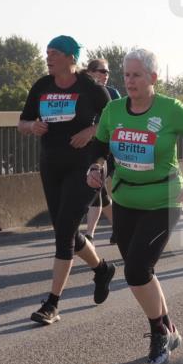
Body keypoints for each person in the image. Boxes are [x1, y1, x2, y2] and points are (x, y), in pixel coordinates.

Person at [88, 48, 183, 364]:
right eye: (126, 75)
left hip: (164, 200)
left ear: (153, 78)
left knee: (136, 270)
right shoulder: (113, 110)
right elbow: (100, 145)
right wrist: (97, 166)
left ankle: (158, 334)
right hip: (125, 199)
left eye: (137, 75)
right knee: (142, 272)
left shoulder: (171, 110)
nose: (130, 81)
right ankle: (169, 327)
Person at [18, 35, 116, 326]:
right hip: (51, 166)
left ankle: (52, 303)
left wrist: (91, 131)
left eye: (55, 53)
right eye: (47, 52)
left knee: (63, 233)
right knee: (68, 230)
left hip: (86, 169)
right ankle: (101, 269)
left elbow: (112, 122)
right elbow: (22, 122)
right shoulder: (42, 86)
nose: (48, 57)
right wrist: (32, 126)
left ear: (71, 58)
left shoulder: (90, 88)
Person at [84, 58, 120, 244]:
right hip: (85, 148)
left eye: (107, 72)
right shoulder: (81, 92)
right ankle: (120, 228)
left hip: (106, 149)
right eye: (101, 71)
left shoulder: (113, 94)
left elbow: (120, 120)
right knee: (102, 193)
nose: (105, 75)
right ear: (90, 72)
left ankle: (89, 234)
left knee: (96, 188)